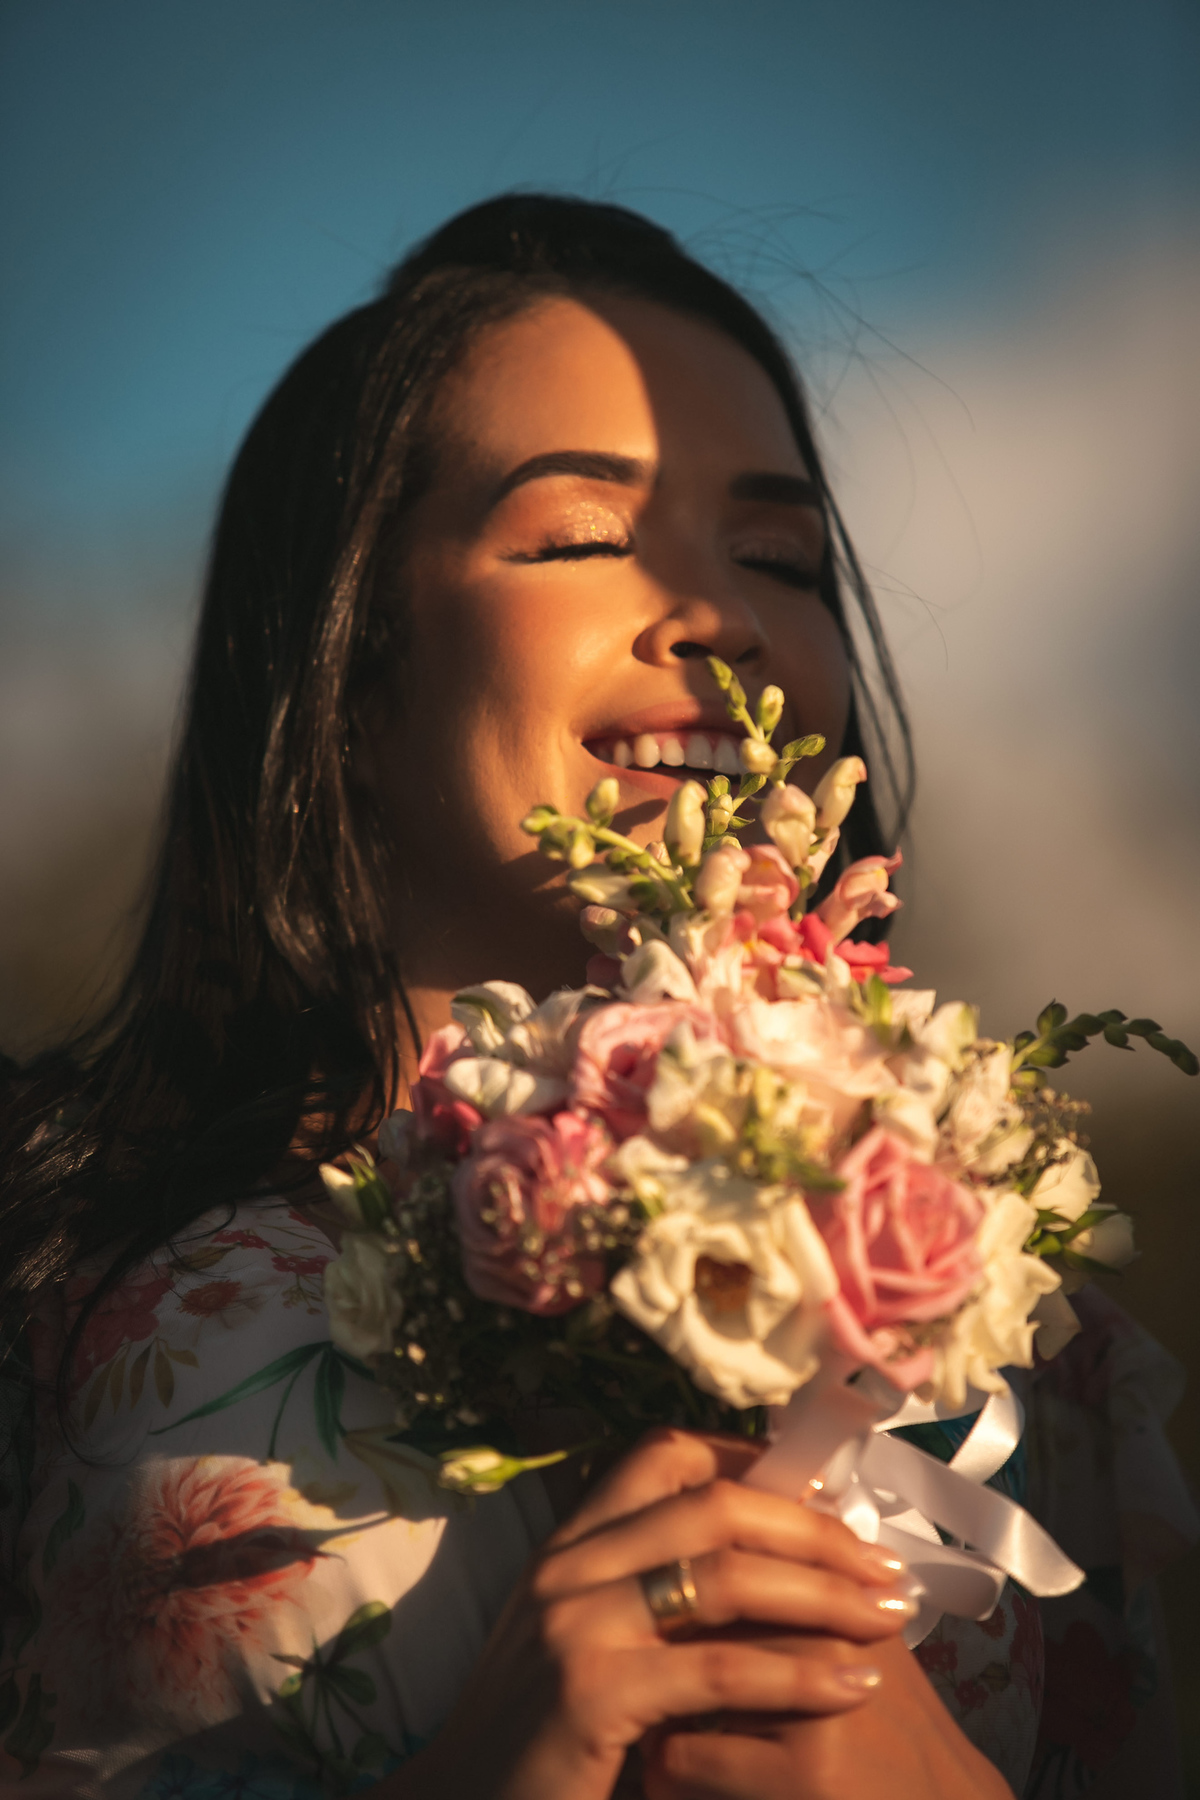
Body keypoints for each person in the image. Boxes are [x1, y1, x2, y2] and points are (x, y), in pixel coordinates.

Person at [0, 195, 1191, 1800]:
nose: (724, 618)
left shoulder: (1040, 1355)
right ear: (345, 678)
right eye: (574, 537)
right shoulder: (78, 1280)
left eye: (780, 557)